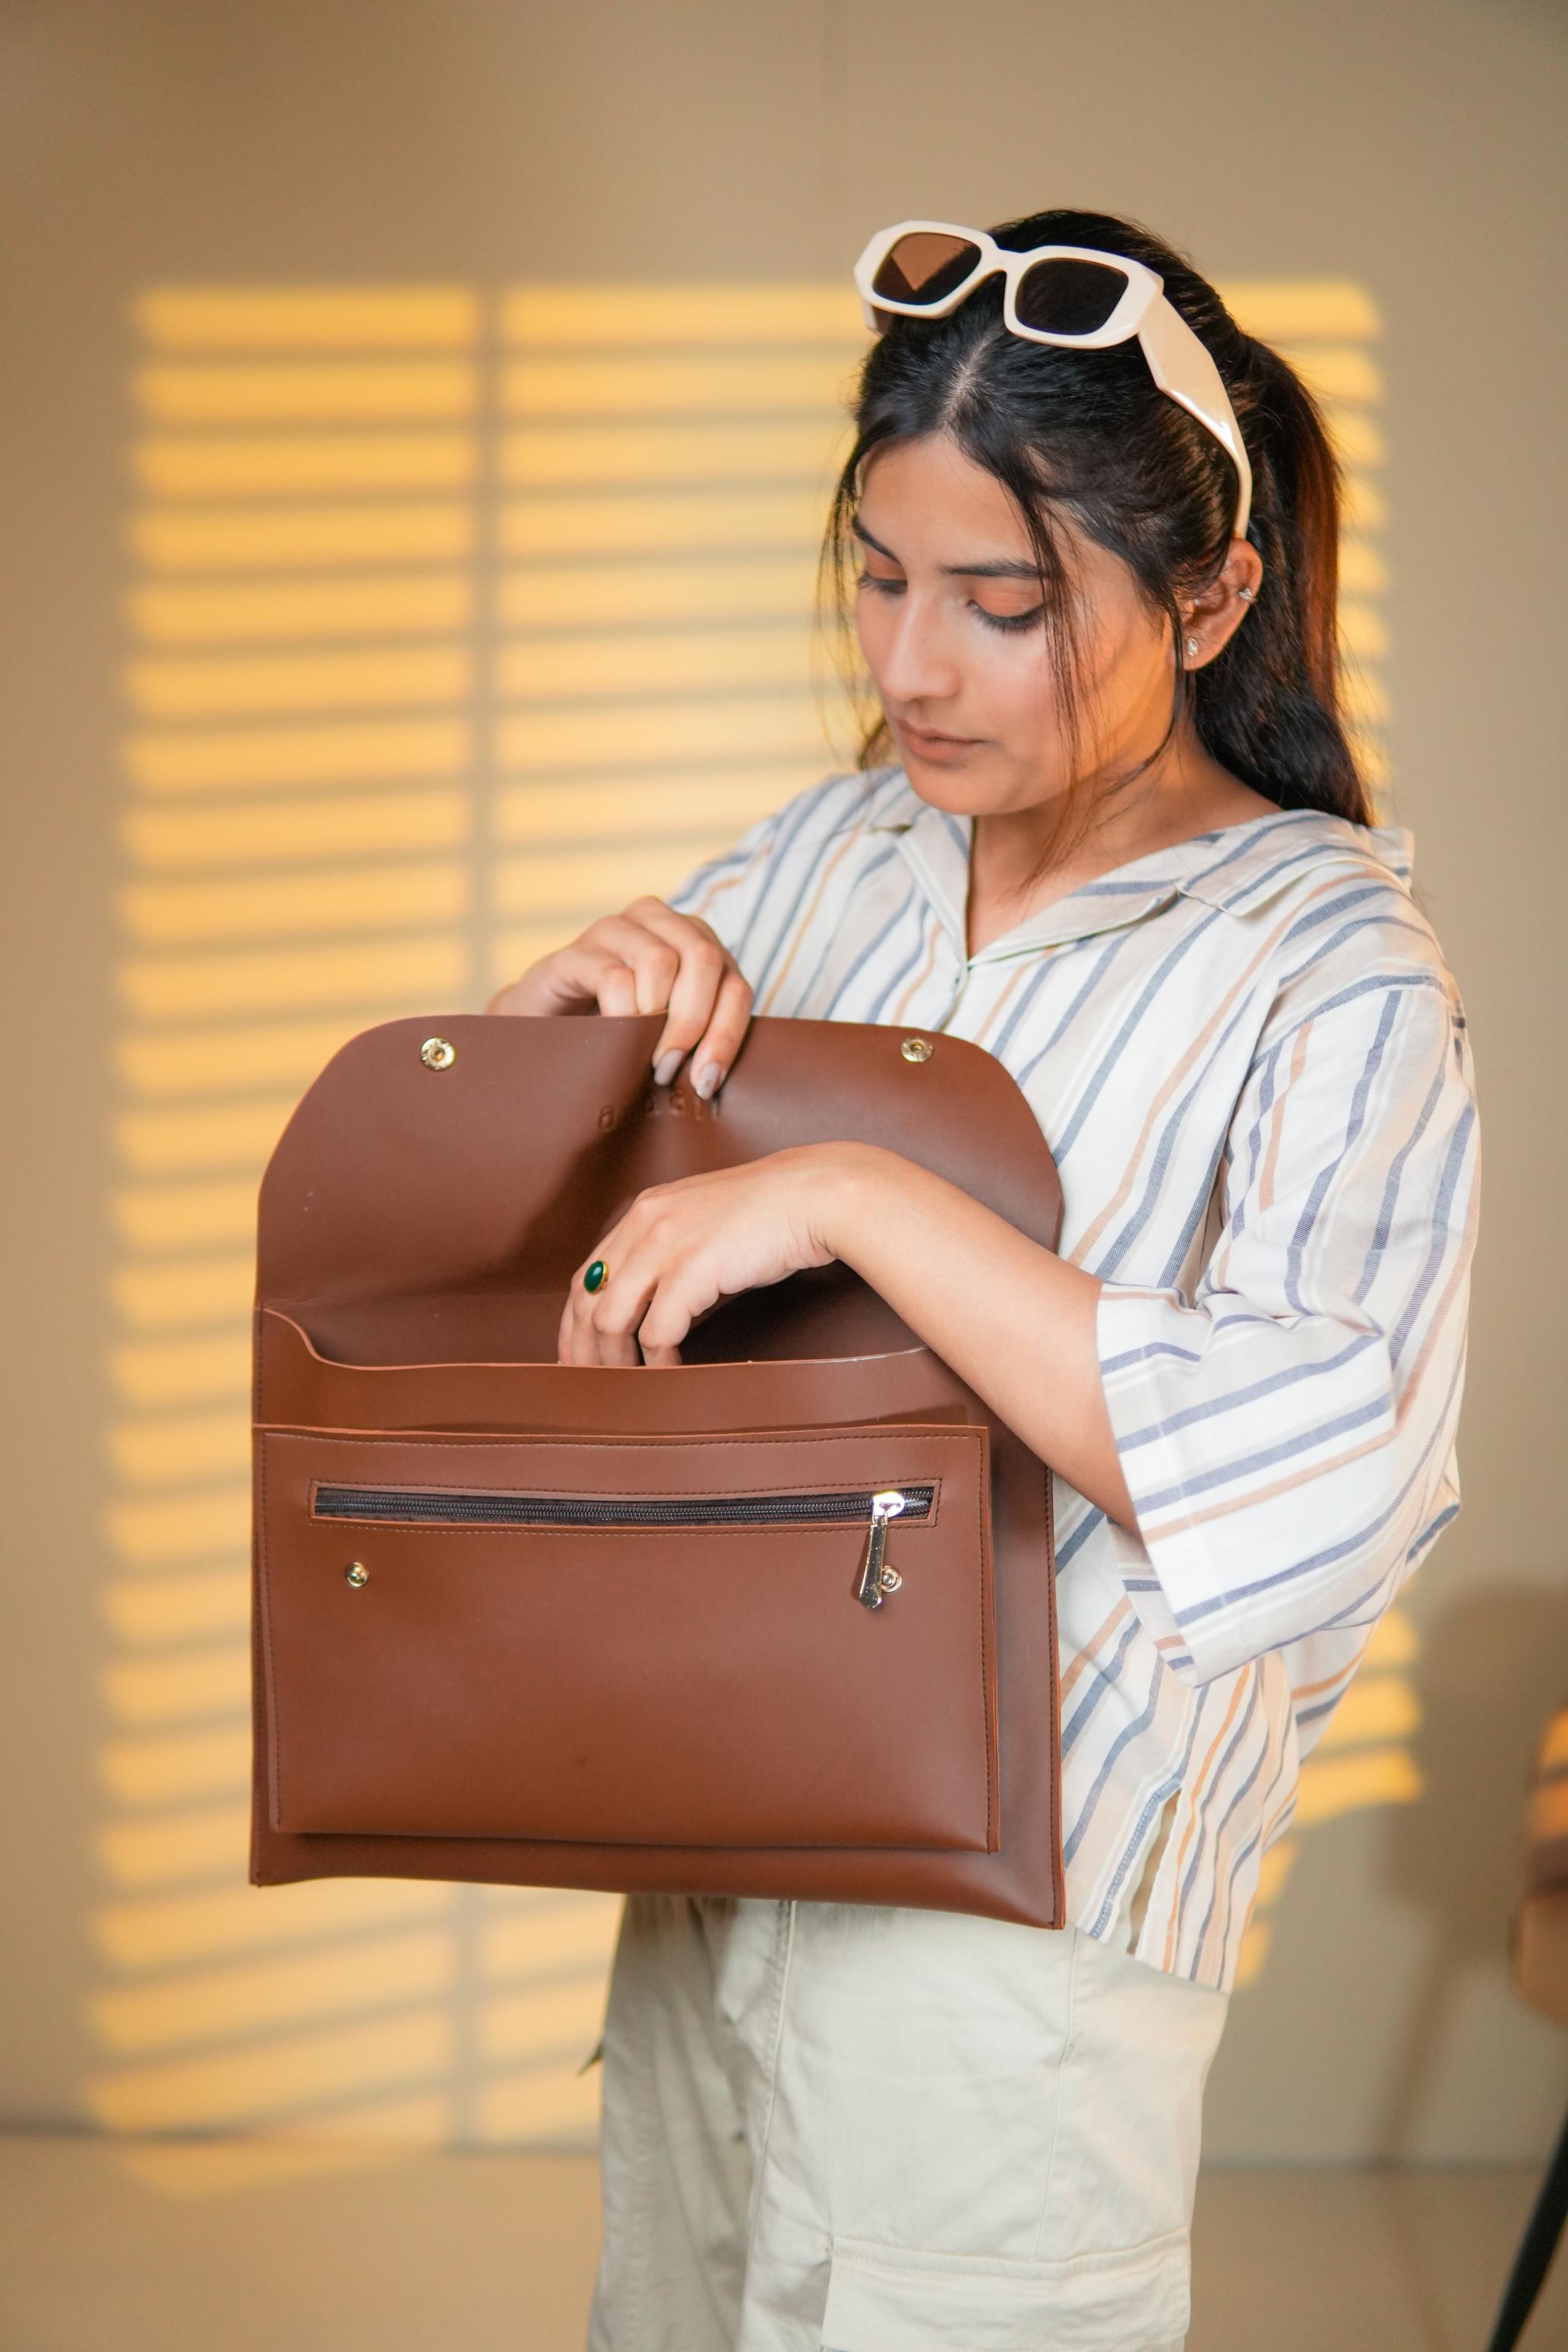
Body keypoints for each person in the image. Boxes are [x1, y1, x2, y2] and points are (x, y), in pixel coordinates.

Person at [487, 207, 1480, 2352]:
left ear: (1215, 593)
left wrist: (860, 1199)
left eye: (1002, 604)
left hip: (1013, 1936)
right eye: (879, 573)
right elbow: (551, 1332)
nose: (908, 666)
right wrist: (530, 1047)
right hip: (709, 1845)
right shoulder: (837, 852)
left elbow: (1324, 1488)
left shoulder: (1326, 965)